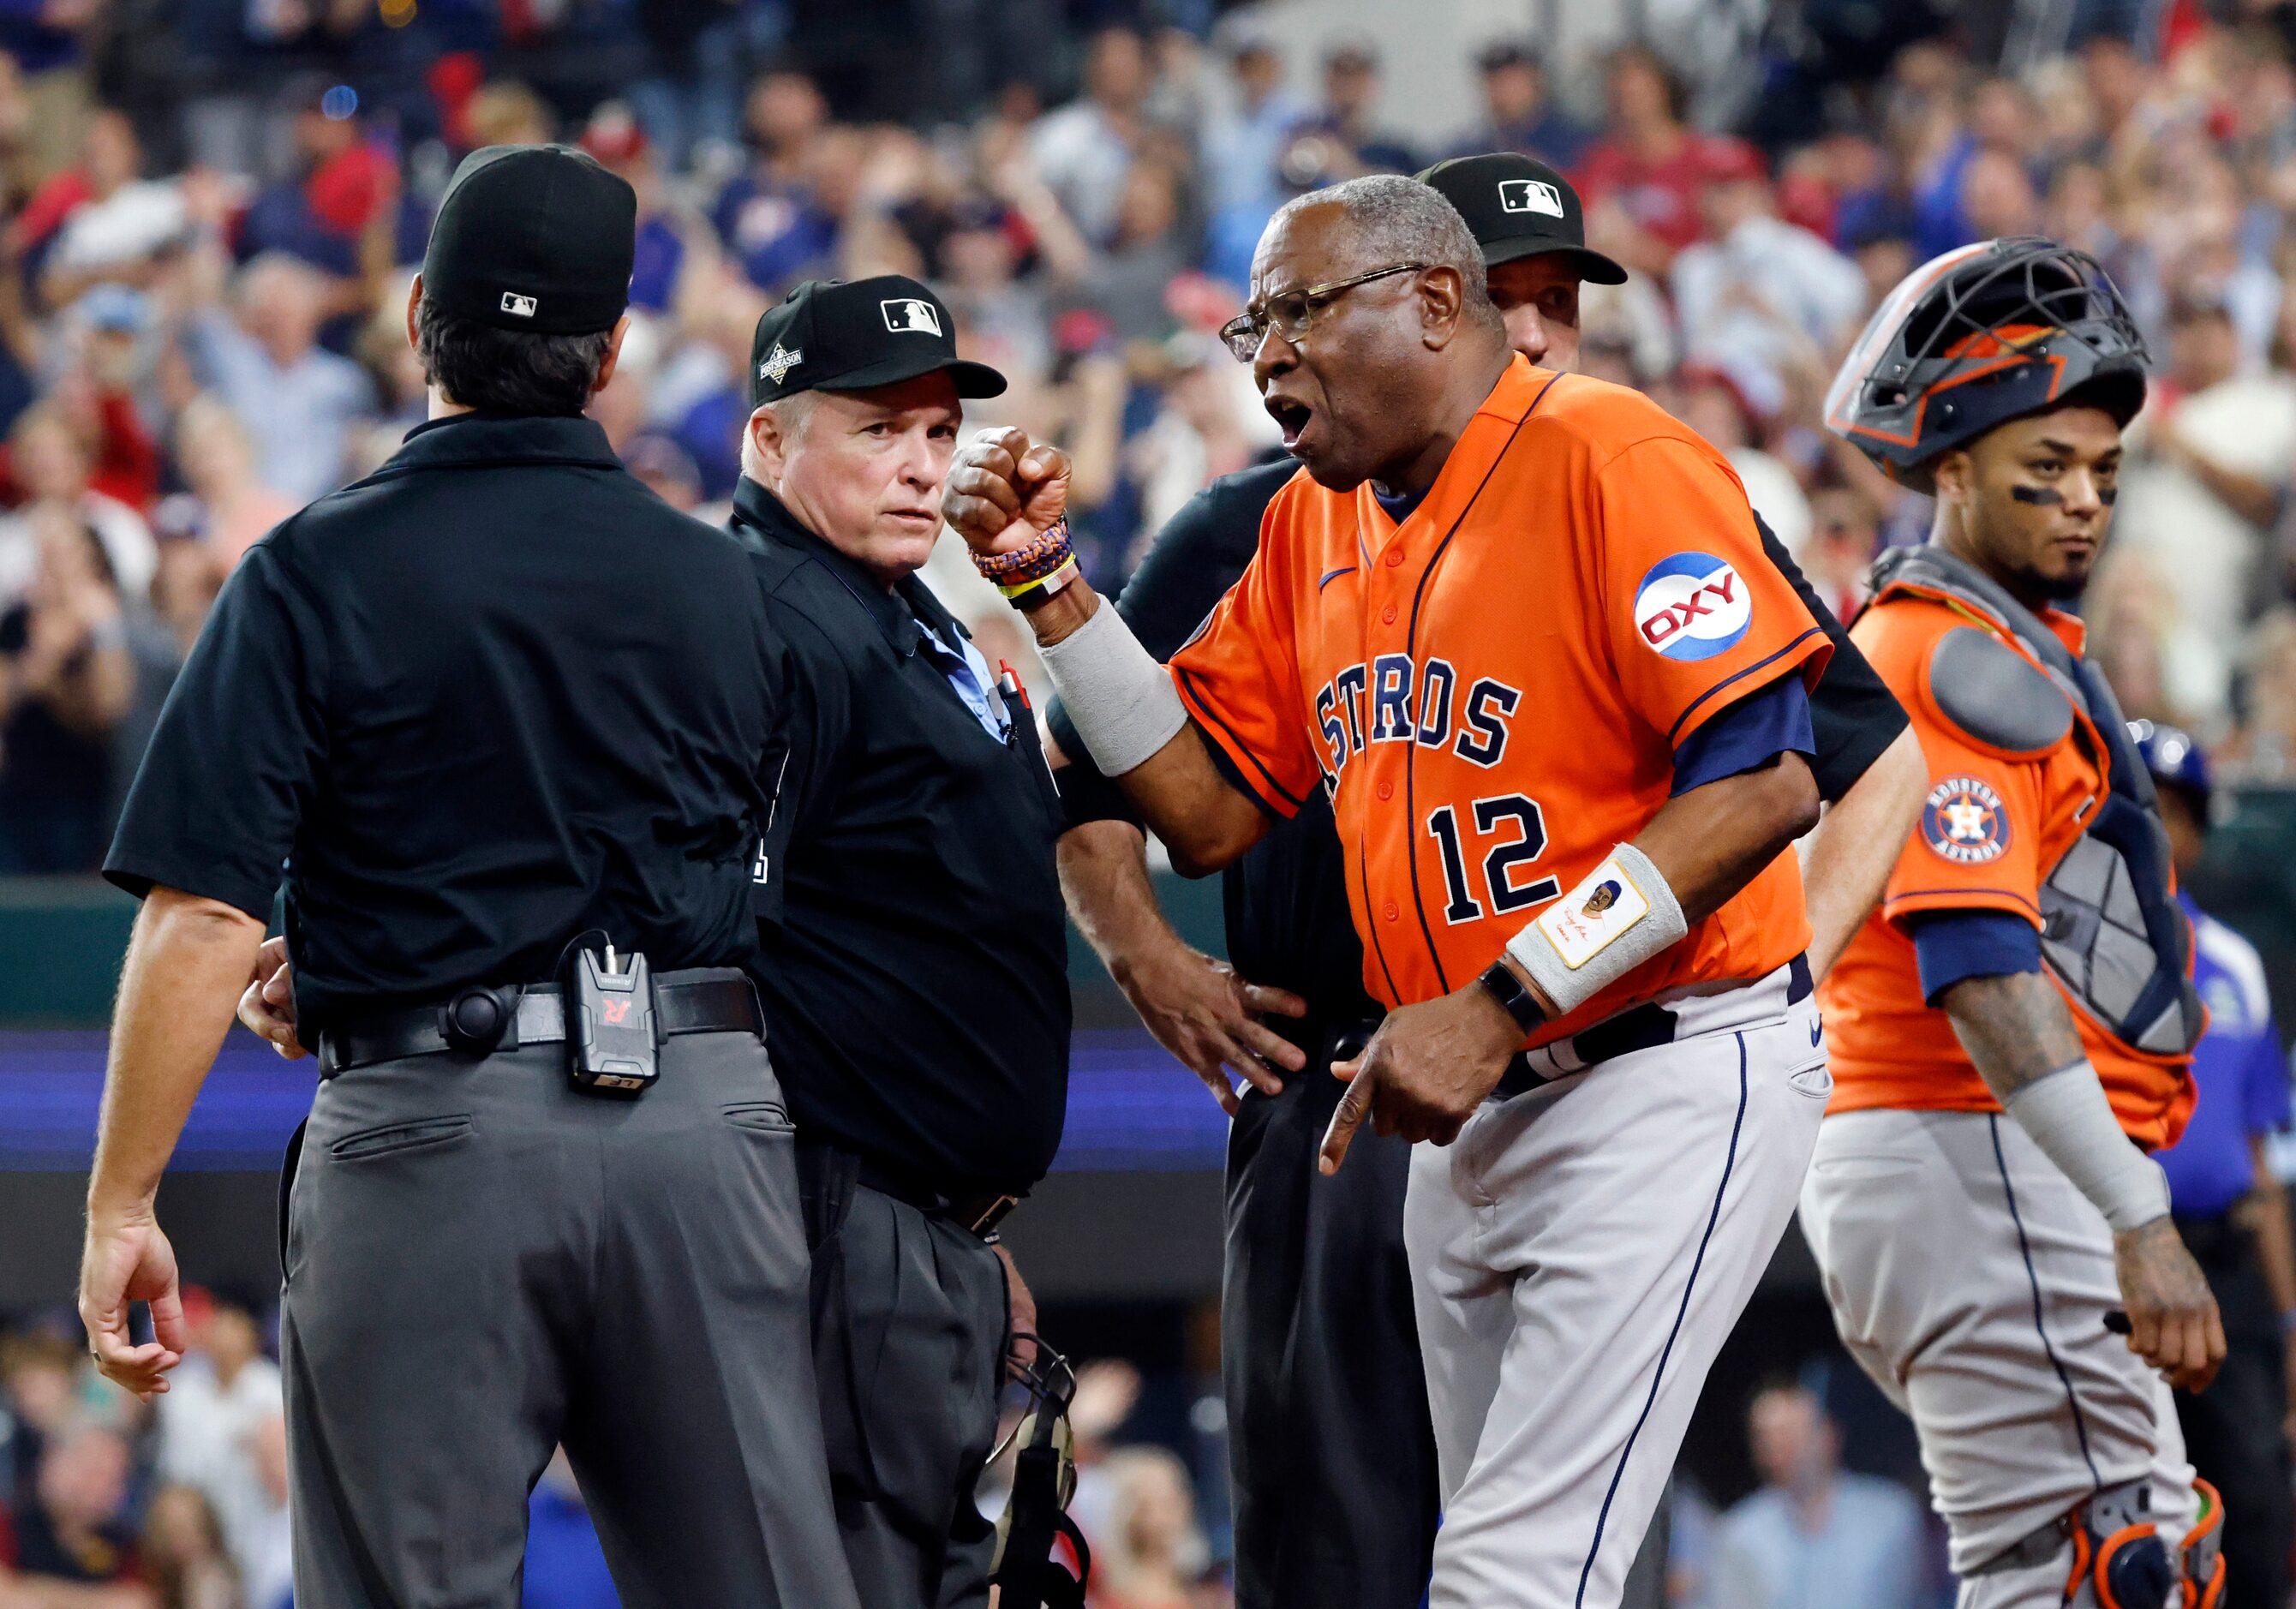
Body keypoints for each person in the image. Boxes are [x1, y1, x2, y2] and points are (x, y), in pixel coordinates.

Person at [948, 173, 1838, 1609]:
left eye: (1297, 312)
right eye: (1254, 327)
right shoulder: (1315, 523)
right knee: (1474, 1561)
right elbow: (1206, 805)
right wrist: (1052, 587)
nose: (1267, 357)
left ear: (1435, 299)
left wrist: (1501, 996)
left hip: (1667, 1061)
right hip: (1467, 1089)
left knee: (1508, 1566)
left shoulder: (1618, 454)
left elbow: (1764, 783)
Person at [80, 144, 858, 1609]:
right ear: (614, 349)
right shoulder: (731, 581)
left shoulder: (315, 567)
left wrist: (121, 1205)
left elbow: (201, 914)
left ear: (421, 314)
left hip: (431, 1130)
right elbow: (765, 865)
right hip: (699, 1117)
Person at [1803, 236, 2228, 1606]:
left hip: (1954, 1166)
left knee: (2060, 1564)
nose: (2082, 501)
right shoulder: (1947, 656)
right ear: (1950, 467)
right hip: (1972, 1152)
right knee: (2114, 1570)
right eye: (2043, 468)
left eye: (2102, 472)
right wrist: (2134, 1212)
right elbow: (1980, 966)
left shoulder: (1979, 641)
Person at [730, 273, 1063, 1608]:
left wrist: (961, 1228)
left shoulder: (899, 605)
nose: (923, 468)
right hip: (829, 1224)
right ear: (769, 439)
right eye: (876, 431)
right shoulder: (774, 618)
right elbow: (707, 929)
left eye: (937, 432)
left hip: (911, 1227)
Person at [2143, 721, 2296, 1609]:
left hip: (2226, 1269)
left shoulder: (2234, 964)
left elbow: (2260, 1167)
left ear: (2199, 833)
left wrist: (2287, 1326)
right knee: (2122, 1501)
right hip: (2115, 1260)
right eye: (2142, 809)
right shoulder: (2053, 950)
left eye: (2176, 813)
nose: (2159, 832)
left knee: (2254, 1493)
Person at [1706, 1381, 1927, 1609]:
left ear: (1829, 1435)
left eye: (1790, 1433)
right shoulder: (1739, 1535)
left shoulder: (1892, 1516)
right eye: (1766, 1437)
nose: (1779, 1447)